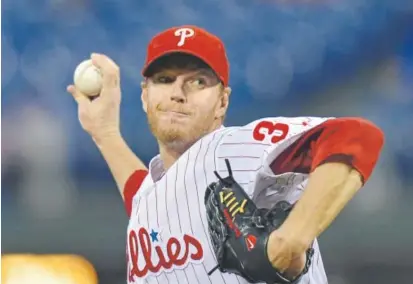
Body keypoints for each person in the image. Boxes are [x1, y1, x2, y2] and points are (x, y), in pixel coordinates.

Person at [67, 25, 384, 284]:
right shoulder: (152, 193)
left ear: (222, 102)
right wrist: (105, 133)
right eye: (165, 80)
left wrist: (291, 239)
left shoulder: (233, 148)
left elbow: (356, 135)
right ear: (145, 96)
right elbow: (144, 196)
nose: (178, 93)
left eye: (198, 82)